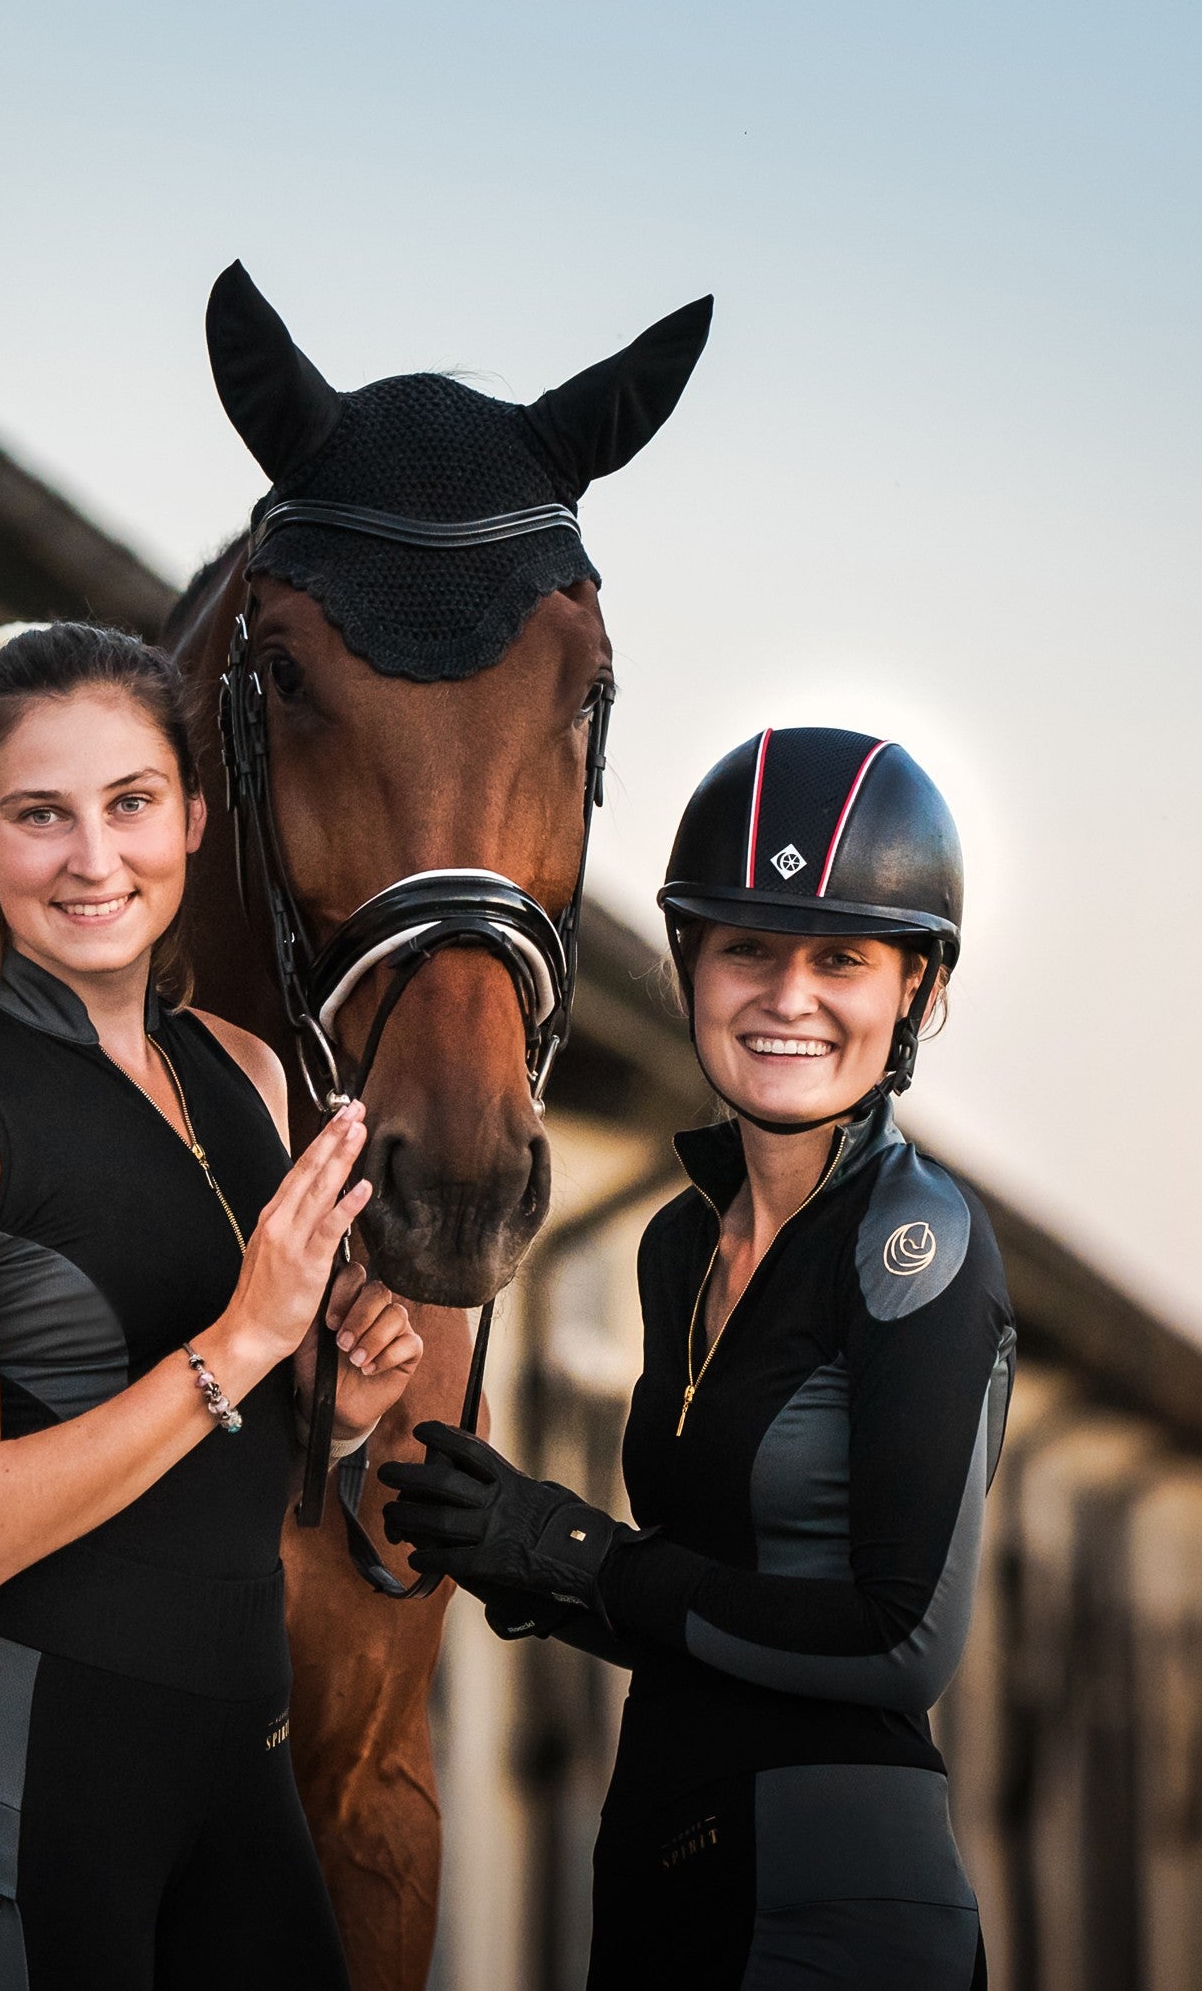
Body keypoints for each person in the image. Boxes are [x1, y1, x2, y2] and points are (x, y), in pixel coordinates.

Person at [0, 622, 421, 1991]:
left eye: (131, 804)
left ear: (196, 819)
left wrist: (335, 1414)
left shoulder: (252, 1072)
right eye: (41, 815)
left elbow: (213, 1472)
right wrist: (242, 1343)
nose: (95, 859)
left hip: (235, 1785)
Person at [381, 727, 1017, 1989]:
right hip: (658, 1877)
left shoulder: (916, 1237)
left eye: (840, 956)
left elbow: (898, 1642)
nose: (786, 997)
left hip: (837, 1910)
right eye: (746, 949)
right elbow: (717, 1606)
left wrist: (586, 1555)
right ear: (688, 966)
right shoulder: (678, 1240)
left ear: (917, 991)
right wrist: (537, 1570)